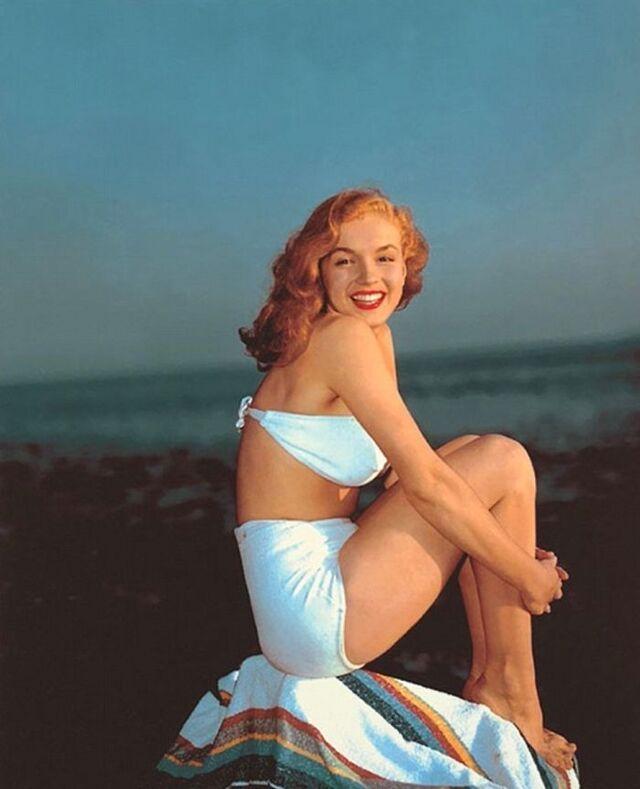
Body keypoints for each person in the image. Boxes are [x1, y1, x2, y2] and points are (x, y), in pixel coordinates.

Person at [233, 186, 577, 772]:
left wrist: (497, 542)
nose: (371, 276)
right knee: (503, 458)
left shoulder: (366, 336)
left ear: (406, 264)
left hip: (327, 576)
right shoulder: (339, 338)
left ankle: (500, 680)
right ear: (316, 268)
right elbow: (426, 486)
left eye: (386, 257)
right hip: (311, 608)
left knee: (474, 458)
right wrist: (526, 576)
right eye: (346, 259)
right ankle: (512, 695)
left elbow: (402, 472)